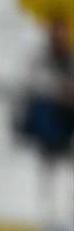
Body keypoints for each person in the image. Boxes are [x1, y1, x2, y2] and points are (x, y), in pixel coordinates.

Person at [18, 12, 74, 157]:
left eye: (63, 32)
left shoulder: (70, 58)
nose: (60, 36)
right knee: (43, 111)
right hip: (46, 108)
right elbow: (33, 84)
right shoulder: (38, 57)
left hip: (66, 110)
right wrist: (60, 92)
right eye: (57, 31)